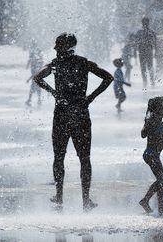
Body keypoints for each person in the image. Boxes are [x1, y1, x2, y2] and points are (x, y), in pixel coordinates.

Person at [33, 33, 114, 211]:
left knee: (59, 157)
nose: (54, 48)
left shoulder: (55, 65)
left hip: (61, 114)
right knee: (84, 158)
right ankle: (85, 199)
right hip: (81, 113)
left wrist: (54, 93)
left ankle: (59, 196)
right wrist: (90, 98)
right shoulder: (83, 62)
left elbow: (37, 78)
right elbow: (108, 77)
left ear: (65, 46)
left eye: (57, 45)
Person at [139, 96, 163, 216]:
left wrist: (147, 119)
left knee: (161, 180)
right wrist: (147, 122)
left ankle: (161, 205)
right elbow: (143, 134)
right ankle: (146, 200)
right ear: (160, 109)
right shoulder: (153, 119)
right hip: (151, 154)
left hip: (153, 154)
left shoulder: (154, 118)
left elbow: (144, 133)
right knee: (161, 179)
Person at [135, 17, 157, 87]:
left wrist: (156, 51)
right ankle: (146, 81)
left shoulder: (151, 32)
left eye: (146, 22)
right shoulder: (140, 32)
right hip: (143, 51)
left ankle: (151, 81)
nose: (145, 24)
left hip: (147, 51)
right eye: (144, 22)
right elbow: (136, 42)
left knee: (148, 67)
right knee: (144, 67)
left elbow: (155, 42)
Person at [25, 40, 44, 107]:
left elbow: (31, 59)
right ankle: (36, 100)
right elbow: (40, 60)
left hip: (36, 69)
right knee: (37, 83)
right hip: (37, 68)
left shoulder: (34, 51)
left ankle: (31, 100)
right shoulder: (37, 51)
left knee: (34, 84)